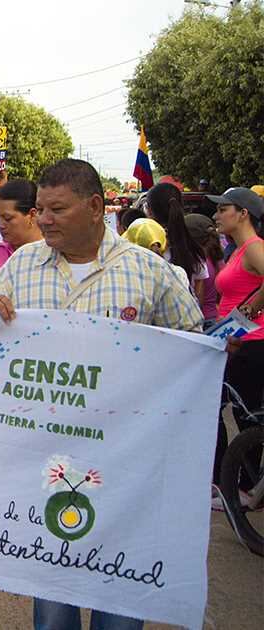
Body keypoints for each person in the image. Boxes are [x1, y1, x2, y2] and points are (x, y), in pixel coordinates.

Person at [0, 159, 202, 630]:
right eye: (40, 209)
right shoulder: (20, 266)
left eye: (56, 209)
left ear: (95, 207)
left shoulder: (151, 273)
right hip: (47, 461)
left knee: (121, 588)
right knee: (54, 588)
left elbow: (191, 348)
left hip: (128, 462)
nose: (43, 219)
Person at [208, 187, 264, 507]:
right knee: (227, 411)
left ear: (243, 213)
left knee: (246, 417)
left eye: (223, 209)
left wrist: (249, 311)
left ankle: (246, 489)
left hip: (252, 345)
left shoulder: (255, 247)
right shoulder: (238, 251)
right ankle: (228, 482)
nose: (217, 215)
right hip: (233, 342)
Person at [145, 183, 209, 297]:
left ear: (149, 210)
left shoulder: (141, 247)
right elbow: (199, 294)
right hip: (188, 312)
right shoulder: (193, 247)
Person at [185, 213, 225, 327]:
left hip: (202, 320)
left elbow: (198, 299)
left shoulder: (197, 263)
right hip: (215, 317)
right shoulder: (217, 258)